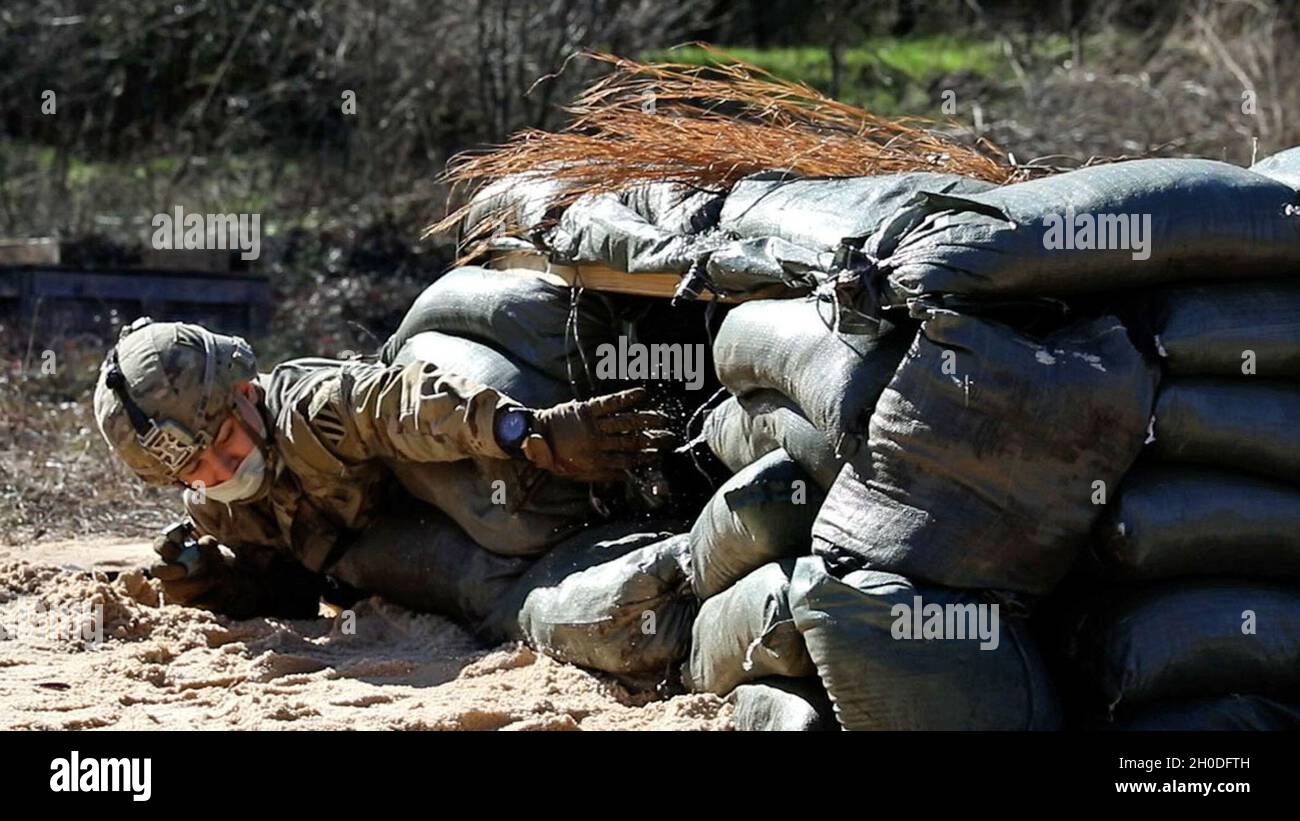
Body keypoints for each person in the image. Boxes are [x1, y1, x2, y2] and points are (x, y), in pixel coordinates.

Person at [92, 317, 675, 620]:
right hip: (407, 554)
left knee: (505, 521)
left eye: (223, 440)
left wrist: (525, 431)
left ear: (244, 392)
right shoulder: (215, 508)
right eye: (198, 470)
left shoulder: (310, 415)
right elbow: (289, 591)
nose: (223, 470)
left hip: (453, 480)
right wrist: (216, 585)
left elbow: (400, 404)